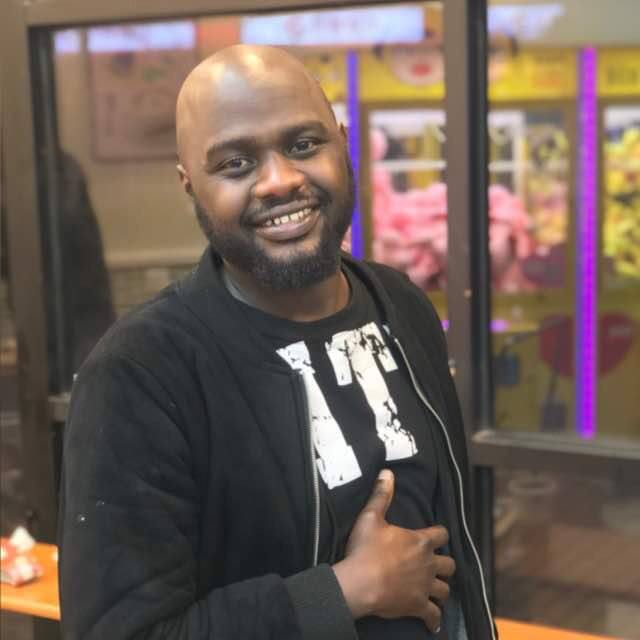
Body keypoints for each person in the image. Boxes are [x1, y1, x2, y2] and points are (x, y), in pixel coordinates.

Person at [58, 45, 496, 640]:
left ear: (343, 144)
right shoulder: (141, 372)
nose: (281, 181)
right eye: (236, 163)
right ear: (190, 184)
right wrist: (341, 592)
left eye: (304, 144)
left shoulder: (401, 306)